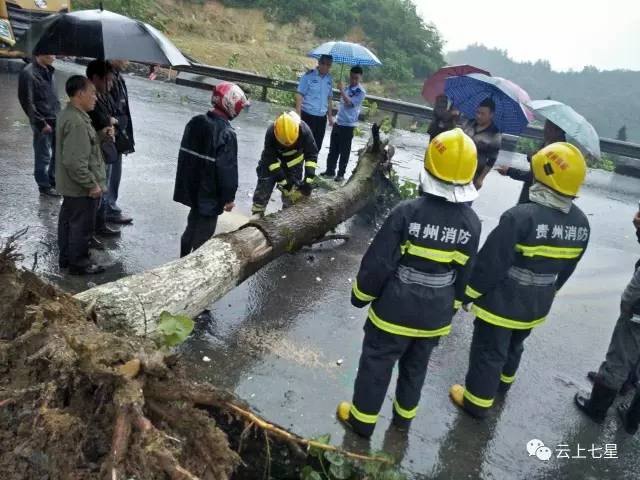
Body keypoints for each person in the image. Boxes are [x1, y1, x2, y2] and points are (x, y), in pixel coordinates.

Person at [337, 128, 482, 438]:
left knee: (377, 364)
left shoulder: (407, 213)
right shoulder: (471, 222)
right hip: (436, 315)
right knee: (416, 369)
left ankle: (362, 421)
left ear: (428, 167)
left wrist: (360, 295)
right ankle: (403, 420)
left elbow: (380, 262)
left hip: (393, 313)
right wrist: (452, 306)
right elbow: (466, 272)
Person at [449, 142, 590, 418]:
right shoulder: (581, 223)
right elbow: (567, 268)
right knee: (515, 344)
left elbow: (490, 264)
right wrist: (550, 290)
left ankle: (476, 402)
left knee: (489, 351)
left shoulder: (520, 217)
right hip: (537, 304)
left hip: (502, 304)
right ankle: (502, 385)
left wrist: (468, 294)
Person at [574, 210, 640, 434]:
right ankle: (631, 415)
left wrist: (626, 306)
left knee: (619, 357)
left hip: (637, 317)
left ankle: (597, 408)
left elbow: (631, 295)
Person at [173, 82, 249, 257]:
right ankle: (193, 267)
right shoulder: (226, 133)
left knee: (191, 228)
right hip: (210, 195)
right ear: (231, 104)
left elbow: (185, 158)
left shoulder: (196, 122)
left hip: (193, 190)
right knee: (204, 235)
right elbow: (227, 170)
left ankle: (182, 258)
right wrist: (229, 198)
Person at [56, 75, 107, 275]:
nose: (96, 97)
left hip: (71, 185)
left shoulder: (72, 115)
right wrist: (91, 184)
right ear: (79, 94)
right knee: (80, 226)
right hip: (79, 187)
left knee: (69, 222)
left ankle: (67, 259)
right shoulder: (76, 121)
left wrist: (102, 135)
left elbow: (82, 148)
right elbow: (74, 161)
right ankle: (79, 264)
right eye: (92, 93)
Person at [250, 111, 318, 217]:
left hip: (294, 163)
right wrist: (283, 181)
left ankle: (288, 215)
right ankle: (257, 213)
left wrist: (309, 177)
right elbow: (271, 160)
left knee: (292, 192)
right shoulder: (271, 131)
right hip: (273, 160)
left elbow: (312, 153)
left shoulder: (304, 130)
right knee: (265, 183)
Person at [86, 60, 121, 241]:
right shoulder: (88, 100)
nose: (111, 84)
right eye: (107, 80)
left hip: (104, 151)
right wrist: (109, 122)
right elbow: (97, 122)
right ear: (96, 78)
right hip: (95, 153)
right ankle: (89, 233)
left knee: (103, 189)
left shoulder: (103, 96)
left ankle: (99, 226)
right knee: (94, 194)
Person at [18, 54, 61, 197]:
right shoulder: (28, 72)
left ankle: (53, 181)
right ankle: (44, 185)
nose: (53, 56)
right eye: (50, 53)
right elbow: (27, 101)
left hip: (55, 118)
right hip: (43, 122)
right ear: (39, 53)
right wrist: (40, 122)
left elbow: (53, 97)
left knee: (58, 154)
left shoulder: (50, 71)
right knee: (43, 155)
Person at [497, 120, 566, 204]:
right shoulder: (548, 142)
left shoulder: (558, 152)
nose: (544, 131)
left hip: (539, 197)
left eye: (548, 129)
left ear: (557, 131)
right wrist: (533, 157)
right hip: (532, 191)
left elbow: (540, 175)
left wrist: (509, 171)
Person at [320, 66, 366, 182]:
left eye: (356, 78)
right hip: (338, 122)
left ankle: (340, 174)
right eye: (351, 77)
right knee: (333, 149)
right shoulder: (346, 87)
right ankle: (330, 171)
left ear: (360, 77)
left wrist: (341, 91)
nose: (353, 80)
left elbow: (350, 103)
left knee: (344, 151)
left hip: (349, 126)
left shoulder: (360, 92)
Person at [106, 59, 135, 225]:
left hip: (119, 131)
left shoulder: (118, 77)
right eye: (124, 57)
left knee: (115, 172)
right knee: (109, 172)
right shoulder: (108, 77)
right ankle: (108, 208)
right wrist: (115, 123)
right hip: (112, 132)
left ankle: (110, 206)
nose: (127, 60)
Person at [462, 97, 502, 190]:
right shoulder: (469, 123)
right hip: (458, 165)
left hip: (475, 173)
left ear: (491, 115)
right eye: (477, 112)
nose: (478, 116)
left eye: (482, 114)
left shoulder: (495, 134)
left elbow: (492, 159)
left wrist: (481, 179)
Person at [296, 55, 334, 152]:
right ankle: (298, 167)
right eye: (323, 63)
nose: (325, 66)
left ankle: (311, 167)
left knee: (316, 147)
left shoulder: (329, 79)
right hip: (307, 116)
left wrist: (330, 117)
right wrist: (298, 116)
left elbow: (329, 98)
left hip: (321, 118)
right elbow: (300, 95)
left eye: (328, 65)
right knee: (302, 145)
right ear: (319, 63)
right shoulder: (308, 76)